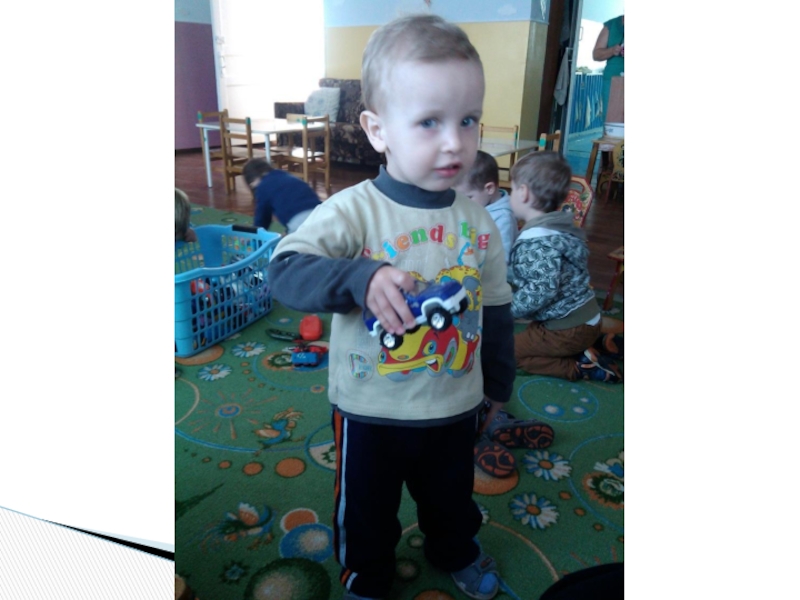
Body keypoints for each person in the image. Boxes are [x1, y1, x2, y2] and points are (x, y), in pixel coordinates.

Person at [267, 14, 515, 600]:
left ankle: (454, 550)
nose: (454, 141)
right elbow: (285, 271)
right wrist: (360, 276)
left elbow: (497, 309)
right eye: (429, 121)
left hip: (454, 402)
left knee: (452, 498)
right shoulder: (353, 210)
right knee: (367, 510)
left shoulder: (479, 221)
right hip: (369, 409)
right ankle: (367, 578)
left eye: (468, 119)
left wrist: (499, 385)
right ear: (377, 130)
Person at [508, 151, 622, 383]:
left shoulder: (537, 242)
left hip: (567, 329)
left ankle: (582, 367)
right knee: (529, 338)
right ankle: (595, 342)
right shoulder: (559, 228)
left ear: (523, 193)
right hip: (582, 319)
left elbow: (541, 290)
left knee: (506, 353)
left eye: (511, 189)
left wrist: (507, 309)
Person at [454, 151, 518, 263]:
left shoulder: (503, 219)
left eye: (468, 198)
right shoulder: (477, 206)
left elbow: (501, 261)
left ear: (489, 189)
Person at [242, 157, 321, 234]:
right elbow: (294, 204)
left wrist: (254, 234)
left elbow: (262, 219)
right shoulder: (285, 175)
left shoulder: (263, 186)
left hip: (299, 222)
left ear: (253, 180)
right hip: (320, 214)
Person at [592, 14, 624, 123]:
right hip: (613, 81)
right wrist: (612, 50)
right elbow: (596, 55)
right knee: (612, 122)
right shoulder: (611, 25)